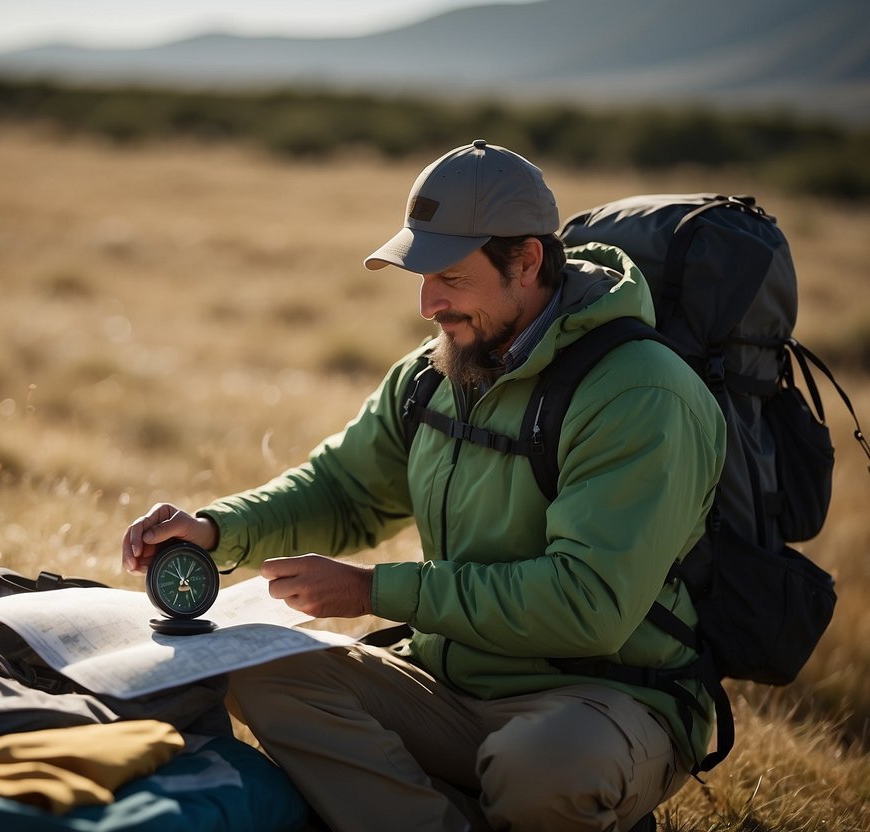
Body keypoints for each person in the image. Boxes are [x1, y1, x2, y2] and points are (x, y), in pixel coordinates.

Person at [122, 140, 726, 832]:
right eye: (419, 273)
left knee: (543, 771)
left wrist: (374, 590)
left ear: (525, 261)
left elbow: (588, 603)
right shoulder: (434, 371)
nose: (425, 303)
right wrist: (216, 529)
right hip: (447, 680)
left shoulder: (639, 392)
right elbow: (342, 490)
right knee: (259, 671)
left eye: (448, 276)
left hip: (603, 698)